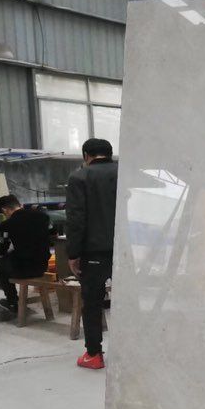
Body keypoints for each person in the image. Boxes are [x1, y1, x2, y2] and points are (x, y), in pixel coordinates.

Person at [66, 138, 118, 370]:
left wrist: (73, 253)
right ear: (110, 153)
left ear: (86, 155)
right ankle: (135, 350)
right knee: (130, 300)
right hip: (124, 250)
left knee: (93, 303)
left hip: (94, 251)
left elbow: (76, 219)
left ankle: (94, 354)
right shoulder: (123, 173)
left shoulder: (79, 177)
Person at [0, 195, 55, 314]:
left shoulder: (6, 225)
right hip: (42, 267)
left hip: (22, 270)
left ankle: (13, 302)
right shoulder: (43, 217)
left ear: (4, 210)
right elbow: (54, 233)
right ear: (19, 204)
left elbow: (1, 249)